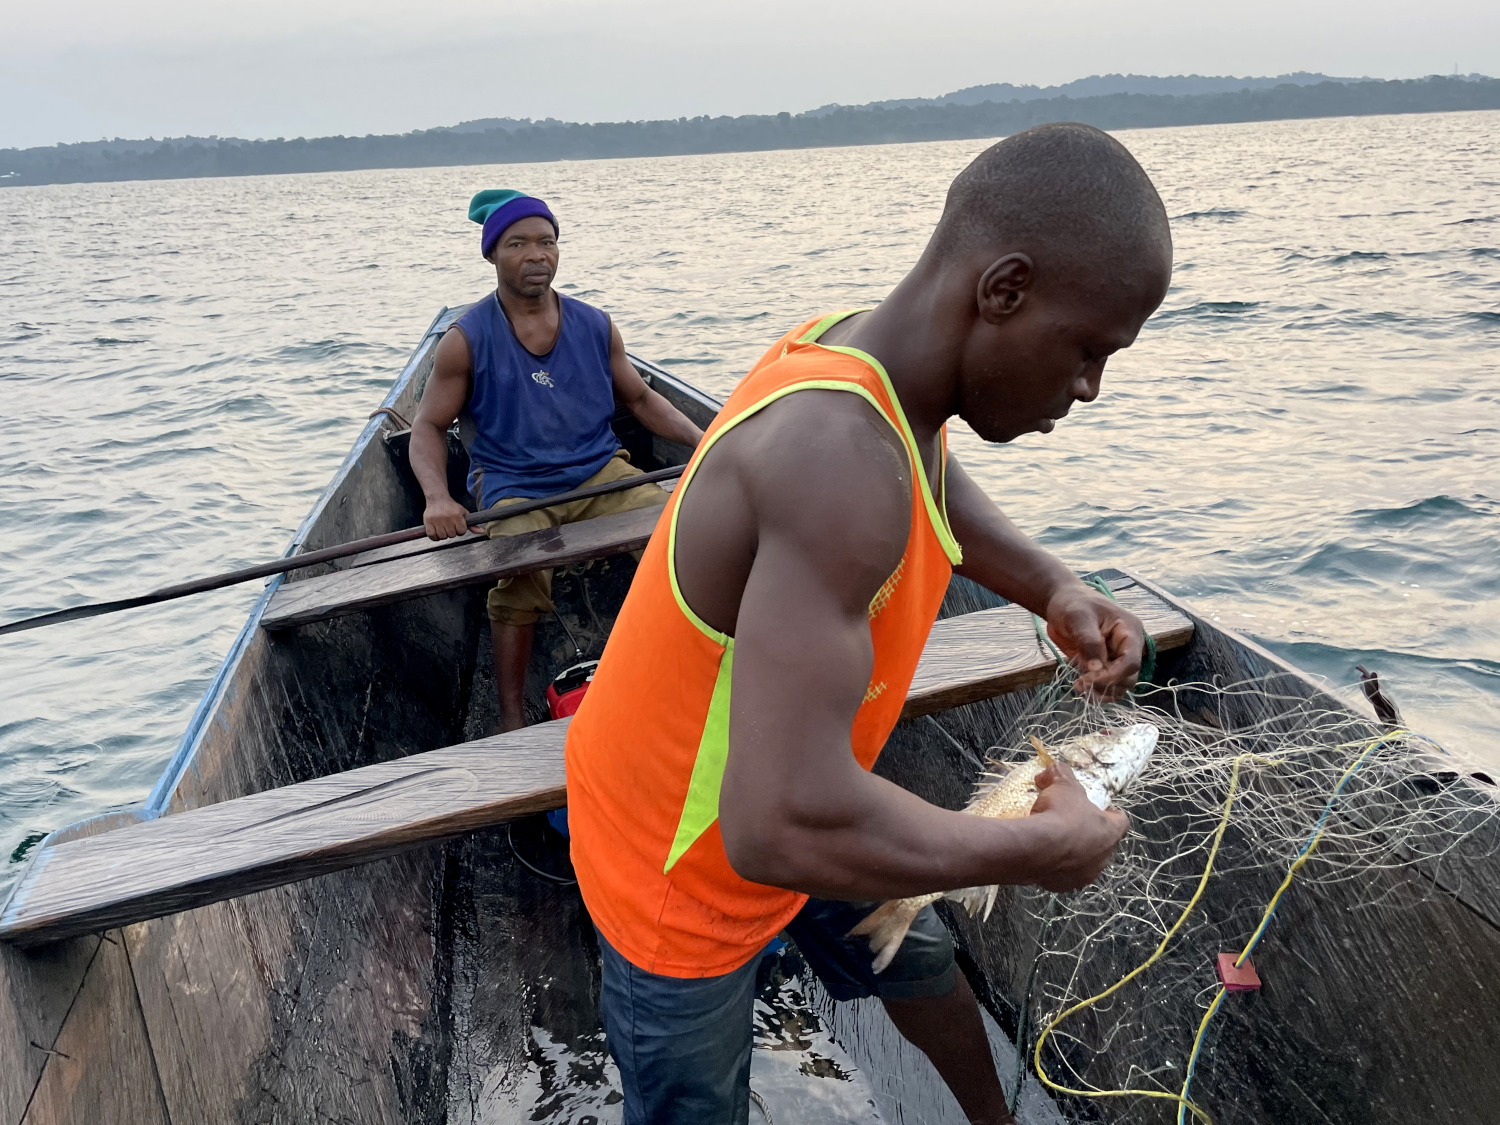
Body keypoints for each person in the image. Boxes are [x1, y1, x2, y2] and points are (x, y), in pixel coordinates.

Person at [564, 123, 1174, 1124]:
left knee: (920, 954)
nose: (1089, 388)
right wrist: (1029, 851)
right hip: (682, 863)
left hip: (796, 790)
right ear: (1004, 291)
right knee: (689, 1099)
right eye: (1089, 350)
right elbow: (775, 829)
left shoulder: (871, 356)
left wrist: (1050, 584)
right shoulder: (833, 466)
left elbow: (928, 465)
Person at [412, 189, 704, 731]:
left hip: (599, 472)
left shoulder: (594, 324)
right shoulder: (466, 340)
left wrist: (705, 438)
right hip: (514, 484)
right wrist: (437, 498)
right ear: (492, 255)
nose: (536, 254)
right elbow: (428, 426)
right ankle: (508, 720)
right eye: (518, 243)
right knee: (522, 576)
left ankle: (689, 672)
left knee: (677, 540)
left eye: (547, 242)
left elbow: (640, 400)